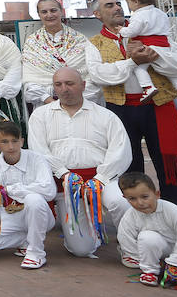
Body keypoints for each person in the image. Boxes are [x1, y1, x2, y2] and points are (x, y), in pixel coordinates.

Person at [83, 0, 177, 208]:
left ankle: (174, 213)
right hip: (121, 109)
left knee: (166, 162)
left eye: (119, 4)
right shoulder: (95, 43)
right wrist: (133, 62)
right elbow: (99, 75)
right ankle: (135, 214)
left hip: (157, 106)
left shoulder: (149, 32)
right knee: (128, 164)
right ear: (97, 14)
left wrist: (156, 57)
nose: (117, 8)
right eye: (109, 5)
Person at [27, 67, 134, 262]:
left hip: (102, 178)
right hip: (65, 183)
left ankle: (130, 249)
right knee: (82, 250)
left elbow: (121, 151)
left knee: (120, 201)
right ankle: (90, 230)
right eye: (58, 85)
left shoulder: (105, 115)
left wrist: (100, 179)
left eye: (70, 83)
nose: (64, 89)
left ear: (83, 85)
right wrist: (64, 174)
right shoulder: (40, 115)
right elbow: (38, 151)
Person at [0, 120, 57, 270]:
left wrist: (10, 190)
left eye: (14, 141)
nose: (11, 147)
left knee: (33, 199)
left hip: (40, 213)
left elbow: (49, 190)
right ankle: (26, 239)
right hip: (11, 213)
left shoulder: (37, 159)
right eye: (4, 142)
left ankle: (36, 253)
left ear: (22, 141)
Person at [118, 171, 177, 292]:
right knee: (147, 237)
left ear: (157, 194)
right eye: (132, 199)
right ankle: (150, 271)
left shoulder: (173, 211)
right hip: (156, 250)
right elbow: (125, 238)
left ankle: (170, 270)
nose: (140, 203)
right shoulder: (130, 216)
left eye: (145, 197)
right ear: (125, 198)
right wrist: (140, 258)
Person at [21, 0, 98, 110]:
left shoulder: (79, 40)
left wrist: (73, 102)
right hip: (46, 105)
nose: (49, 15)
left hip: (80, 105)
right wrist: (53, 103)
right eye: (44, 12)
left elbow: (90, 77)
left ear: (61, 11)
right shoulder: (32, 42)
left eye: (53, 10)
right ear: (39, 15)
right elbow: (29, 82)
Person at [122, 0, 177, 101]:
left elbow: (132, 31)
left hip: (148, 47)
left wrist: (122, 30)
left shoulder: (138, 15)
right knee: (170, 70)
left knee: (139, 67)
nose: (129, 5)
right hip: (165, 46)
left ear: (136, 1)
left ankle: (148, 87)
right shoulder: (161, 13)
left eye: (129, 2)